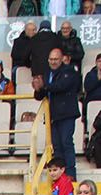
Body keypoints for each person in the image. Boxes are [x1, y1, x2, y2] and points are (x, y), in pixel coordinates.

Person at [35, 47, 81, 178]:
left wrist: (44, 86)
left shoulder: (69, 71)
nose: (53, 62)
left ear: (62, 59)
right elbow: (41, 94)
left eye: (56, 59)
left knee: (66, 142)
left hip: (66, 114)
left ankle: (70, 173)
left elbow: (61, 86)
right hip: (53, 115)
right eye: (51, 59)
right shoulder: (47, 73)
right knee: (56, 145)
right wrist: (38, 89)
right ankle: (60, 175)